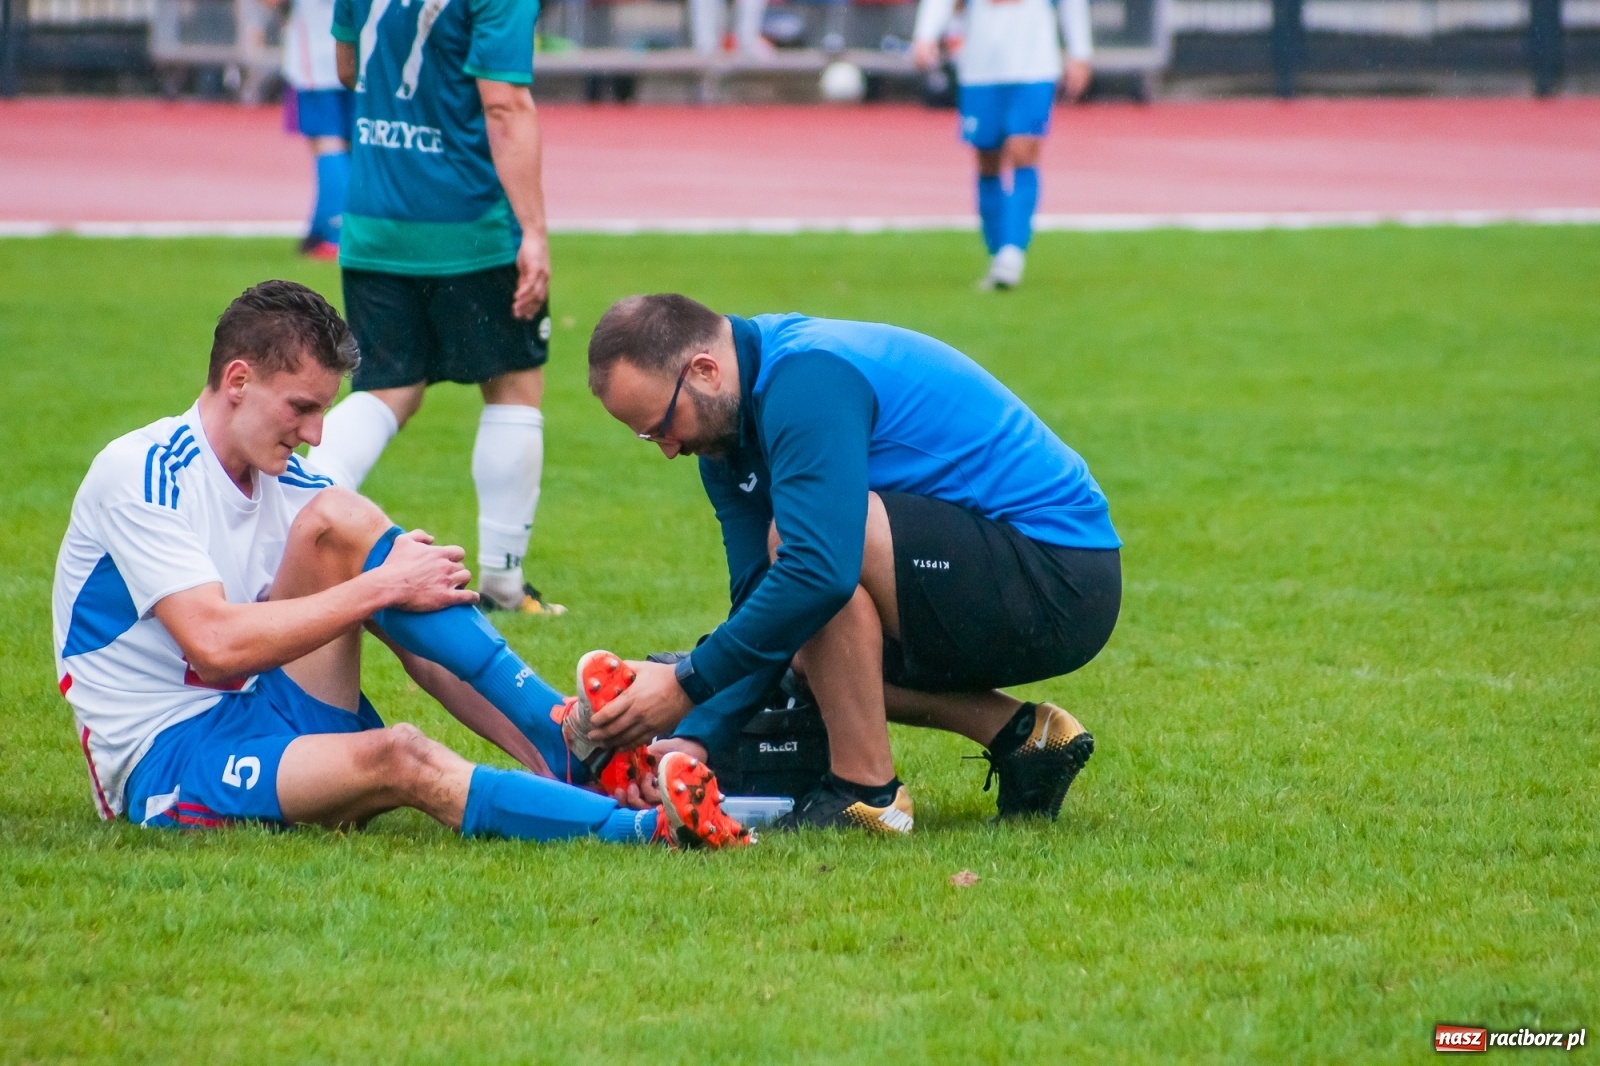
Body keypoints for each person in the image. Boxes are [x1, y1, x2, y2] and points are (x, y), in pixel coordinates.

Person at [51, 281, 748, 849]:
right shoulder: (141, 473)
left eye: (324, 412)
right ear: (238, 380)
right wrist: (381, 585)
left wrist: (398, 584)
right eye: (301, 408)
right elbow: (214, 645)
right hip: (170, 754)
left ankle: (560, 737)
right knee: (402, 755)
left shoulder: (292, 485)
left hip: (266, 706)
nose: (314, 434)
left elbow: (423, 648)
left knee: (339, 516)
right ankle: (647, 830)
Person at [577, 295, 1122, 834]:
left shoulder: (805, 379)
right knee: (795, 635)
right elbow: (760, 602)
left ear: (705, 371)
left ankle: (865, 793)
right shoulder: (726, 441)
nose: (668, 449)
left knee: (806, 555)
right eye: (649, 437)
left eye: (663, 424)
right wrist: (697, 735)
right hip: (993, 572)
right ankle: (1023, 738)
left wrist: (685, 682)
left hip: (1062, 578)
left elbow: (817, 572)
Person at [304, 0, 562, 616]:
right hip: (469, 224)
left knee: (386, 389)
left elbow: (348, 66)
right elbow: (504, 103)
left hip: (373, 222)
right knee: (512, 384)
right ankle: (503, 582)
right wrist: (533, 230)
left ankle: (295, 536)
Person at [911, 0, 1094, 290]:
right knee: (987, 160)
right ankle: (997, 253)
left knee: (1024, 151)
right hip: (981, 69)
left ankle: (1013, 251)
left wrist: (1080, 53)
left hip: (1034, 66)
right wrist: (925, 35)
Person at [271, 0, 354, 259]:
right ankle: (320, 228)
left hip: (318, 54)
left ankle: (335, 235)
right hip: (357, 49)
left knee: (327, 142)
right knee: (352, 144)